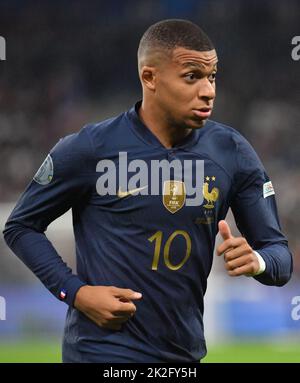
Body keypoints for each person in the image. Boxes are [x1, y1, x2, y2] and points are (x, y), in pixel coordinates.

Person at [3, 19, 293, 363]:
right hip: (99, 353)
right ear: (149, 77)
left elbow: (279, 256)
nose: (209, 90)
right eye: (192, 77)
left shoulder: (231, 153)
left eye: (212, 76)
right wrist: (77, 293)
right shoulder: (90, 148)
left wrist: (257, 261)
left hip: (182, 358)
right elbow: (20, 227)